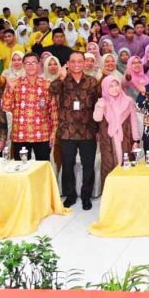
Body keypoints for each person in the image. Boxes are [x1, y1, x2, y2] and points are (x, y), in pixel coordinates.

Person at [49, 51, 100, 210]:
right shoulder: (63, 80)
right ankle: (70, 195)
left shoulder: (92, 81)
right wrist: (61, 76)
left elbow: (98, 105)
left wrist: (98, 129)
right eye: (73, 61)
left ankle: (86, 196)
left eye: (80, 61)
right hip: (67, 131)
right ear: (68, 64)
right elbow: (52, 90)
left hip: (88, 130)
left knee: (88, 165)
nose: (77, 64)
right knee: (68, 165)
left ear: (85, 63)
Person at [1, 53, 54, 161]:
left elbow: (53, 110)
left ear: (39, 64)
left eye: (34, 62)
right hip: (20, 134)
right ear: (24, 65)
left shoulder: (47, 84)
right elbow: (5, 107)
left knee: (42, 167)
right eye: (27, 63)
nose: (31, 66)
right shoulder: (15, 83)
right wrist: (10, 91)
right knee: (21, 168)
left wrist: (54, 132)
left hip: (42, 133)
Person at [93, 75, 141, 191]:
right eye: (111, 86)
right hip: (108, 141)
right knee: (109, 166)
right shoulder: (102, 102)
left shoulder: (128, 101)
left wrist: (136, 140)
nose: (114, 88)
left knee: (127, 165)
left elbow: (134, 122)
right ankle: (110, 195)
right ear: (105, 88)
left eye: (116, 85)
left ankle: (127, 194)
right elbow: (97, 119)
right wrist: (100, 107)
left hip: (126, 139)